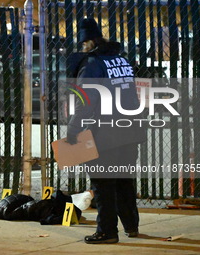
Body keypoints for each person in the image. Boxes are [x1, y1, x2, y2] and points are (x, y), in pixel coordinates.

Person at [66, 18, 146, 244]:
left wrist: (73, 130)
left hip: (105, 132)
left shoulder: (91, 64)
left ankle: (107, 231)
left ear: (86, 43)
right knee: (123, 180)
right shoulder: (121, 60)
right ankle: (132, 226)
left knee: (103, 183)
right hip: (131, 129)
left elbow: (85, 102)